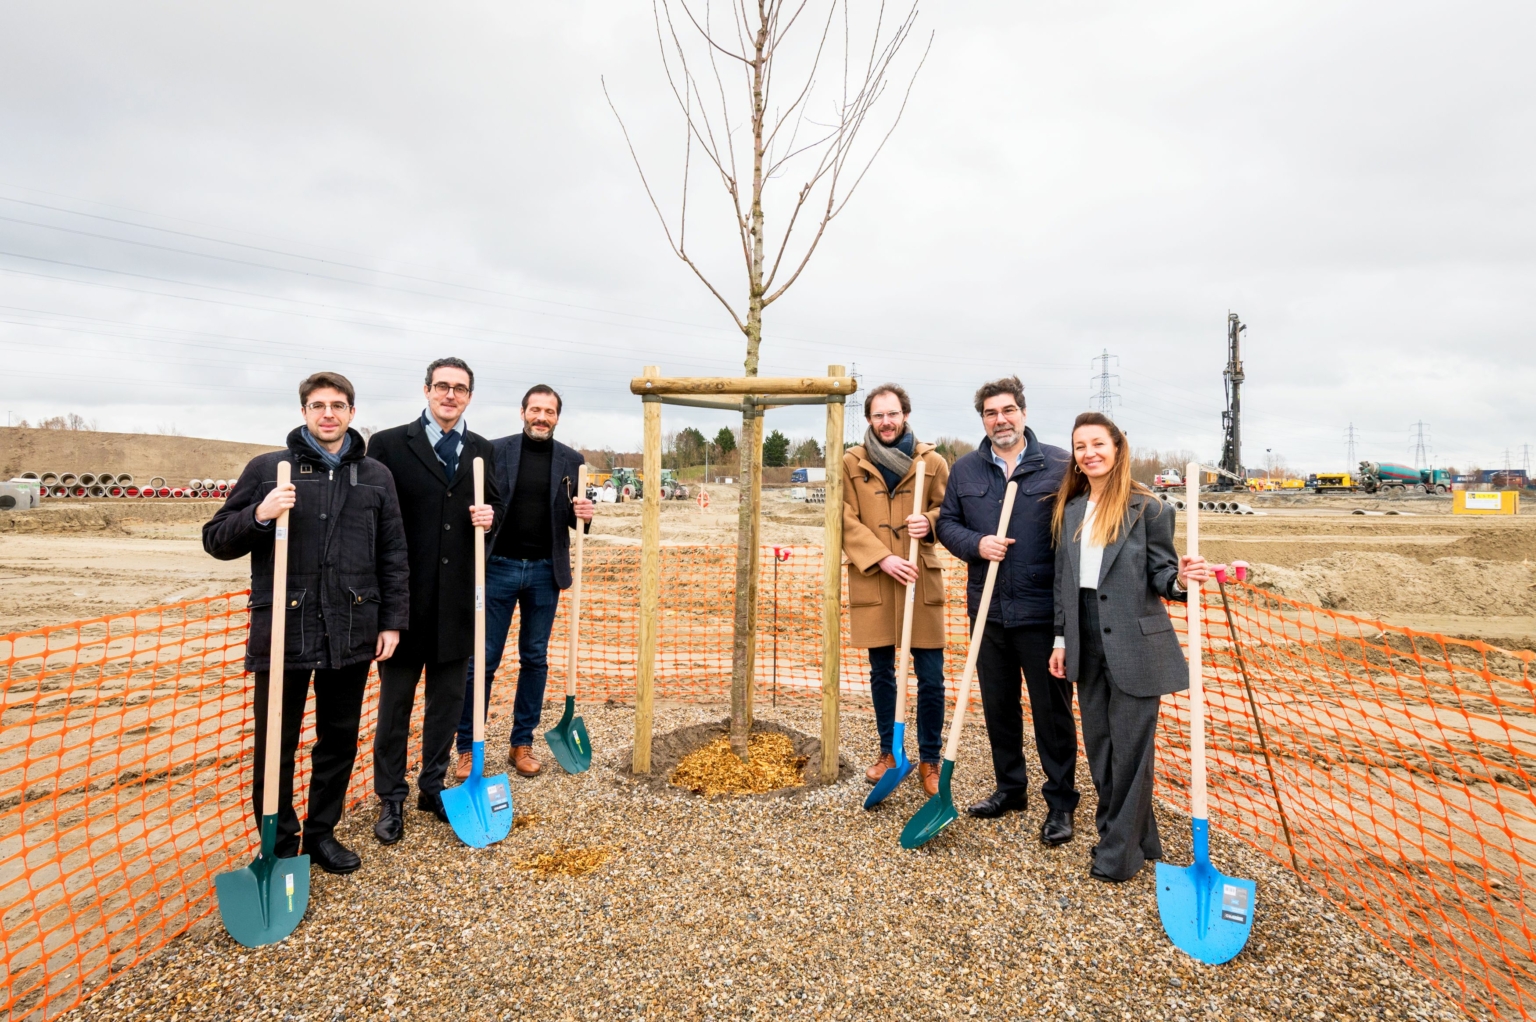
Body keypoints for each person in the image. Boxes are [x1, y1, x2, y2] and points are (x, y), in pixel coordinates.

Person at [204, 371, 409, 875]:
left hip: (353, 628)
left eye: (338, 405)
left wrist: (391, 622)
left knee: (338, 739)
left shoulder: (376, 476)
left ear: (352, 413)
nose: (328, 414)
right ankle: (277, 841)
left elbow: (393, 554)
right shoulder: (270, 469)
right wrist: (261, 513)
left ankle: (321, 834)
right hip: (284, 630)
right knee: (277, 739)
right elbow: (216, 539)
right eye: (318, 405)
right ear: (303, 412)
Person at [1048, 412, 1209, 881]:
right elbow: (1064, 583)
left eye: (1098, 443)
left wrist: (1181, 578)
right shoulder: (1071, 509)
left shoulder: (1151, 509)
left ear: (1118, 448)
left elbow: (1162, 575)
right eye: (1080, 446)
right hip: (1085, 638)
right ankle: (1142, 836)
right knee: (1099, 747)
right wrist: (1060, 640)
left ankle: (1119, 852)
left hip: (1136, 644)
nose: (1089, 452)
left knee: (1132, 752)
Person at [363, 358, 503, 844]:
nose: (450, 395)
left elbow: (496, 512)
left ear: (469, 396)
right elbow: (373, 517)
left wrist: (489, 517)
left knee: (446, 704)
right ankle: (391, 799)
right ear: (426, 390)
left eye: (459, 388)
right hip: (403, 603)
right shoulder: (386, 446)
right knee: (395, 706)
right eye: (441, 386)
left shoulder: (483, 450)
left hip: (457, 604)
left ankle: (432, 786)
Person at [936, 375, 1079, 845]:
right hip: (989, 610)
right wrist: (977, 543)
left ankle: (1060, 803)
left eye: (1008, 410)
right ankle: (1010, 788)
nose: (1001, 420)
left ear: (1023, 413)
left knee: (1052, 714)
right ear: (983, 419)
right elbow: (947, 525)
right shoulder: (966, 470)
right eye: (991, 413)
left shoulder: (1060, 465)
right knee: (999, 707)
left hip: (1042, 613)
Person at [456, 384, 594, 779]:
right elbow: (474, 502)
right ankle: (468, 746)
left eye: (549, 412)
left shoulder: (572, 460)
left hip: (543, 573)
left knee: (535, 658)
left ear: (557, 417)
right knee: (481, 661)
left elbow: (575, 520)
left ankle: (522, 742)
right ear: (522, 412)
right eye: (535, 410)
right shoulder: (495, 451)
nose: (541, 417)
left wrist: (584, 512)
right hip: (496, 566)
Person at [841, 383, 950, 796]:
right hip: (875, 576)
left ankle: (929, 760)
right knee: (882, 672)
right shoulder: (852, 462)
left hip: (918, 576)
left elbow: (949, 511)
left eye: (892, 414)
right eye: (877, 415)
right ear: (869, 419)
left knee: (931, 677)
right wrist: (881, 556)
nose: (886, 422)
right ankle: (889, 752)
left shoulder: (932, 462)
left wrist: (931, 524)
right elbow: (843, 517)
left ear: (905, 414)